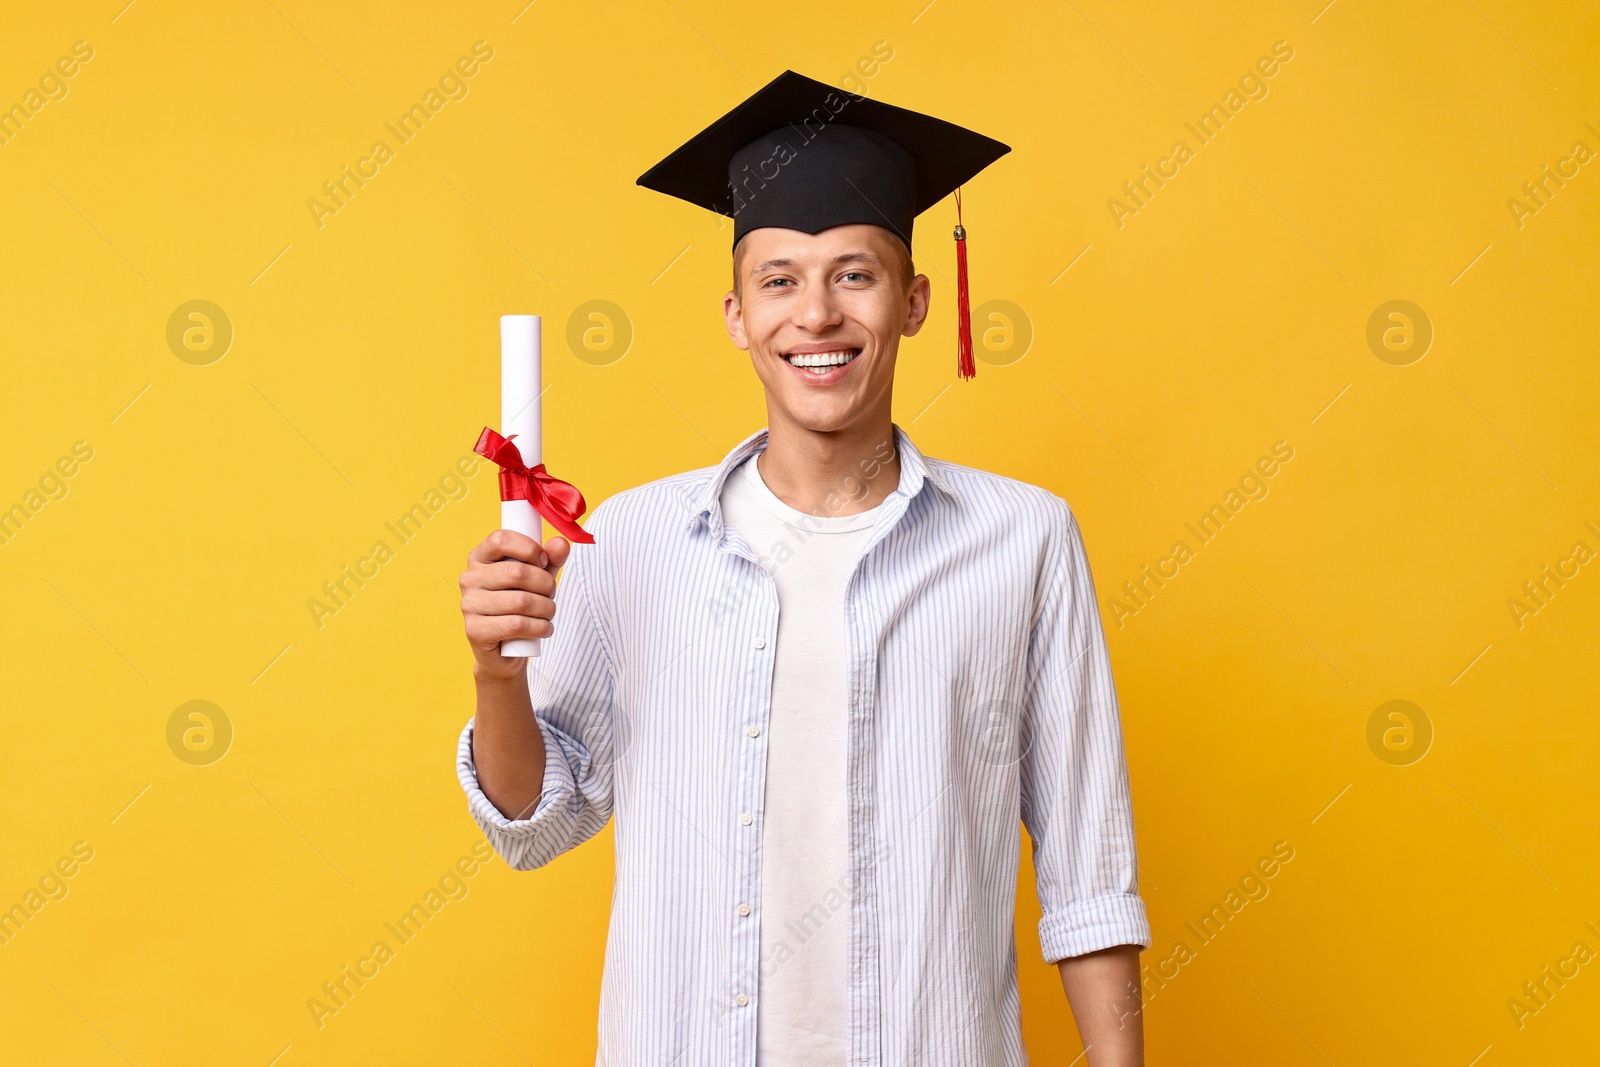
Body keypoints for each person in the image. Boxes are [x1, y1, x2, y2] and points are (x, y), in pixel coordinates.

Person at [457, 69, 1150, 1066]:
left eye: (854, 274)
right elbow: (532, 822)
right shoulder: (635, 540)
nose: (815, 314)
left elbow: (1091, 873)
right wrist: (497, 670)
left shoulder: (1022, 539)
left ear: (913, 301)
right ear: (736, 314)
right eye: (778, 279)